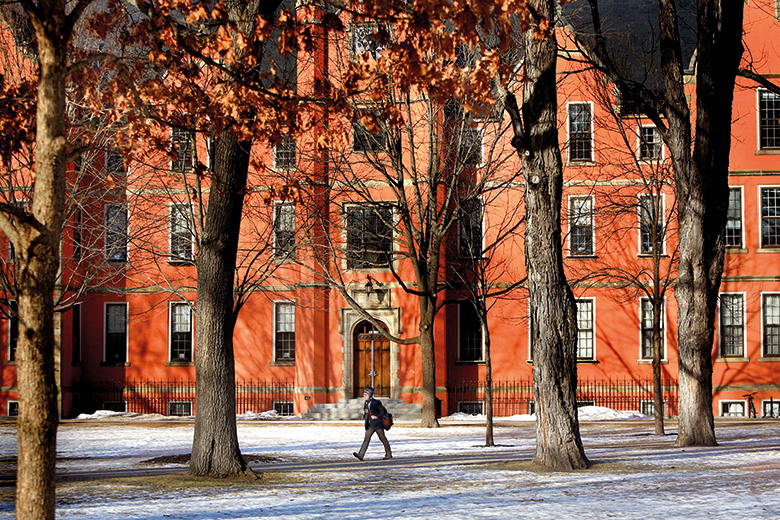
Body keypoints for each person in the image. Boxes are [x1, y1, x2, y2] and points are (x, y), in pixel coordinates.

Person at [353, 386, 392, 461]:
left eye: (366, 395)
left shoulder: (376, 402)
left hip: (377, 424)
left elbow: (383, 411)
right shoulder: (366, 403)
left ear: (370, 395)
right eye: (364, 395)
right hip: (370, 425)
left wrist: (377, 416)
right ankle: (361, 455)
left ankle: (389, 454)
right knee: (366, 439)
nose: (364, 396)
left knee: (383, 439)